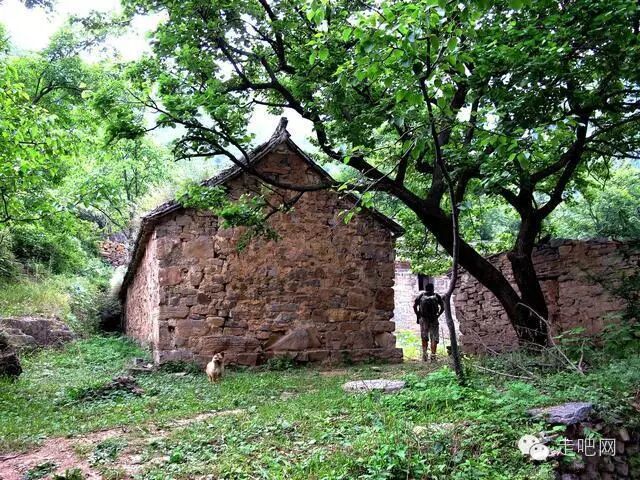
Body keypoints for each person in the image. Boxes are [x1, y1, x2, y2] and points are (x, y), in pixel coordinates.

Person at [413, 283, 445, 362]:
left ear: (425, 288)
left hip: (423, 319)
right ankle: (433, 356)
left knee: (424, 337)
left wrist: (418, 315)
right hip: (434, 319)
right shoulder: (437, 296)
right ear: (433, 288)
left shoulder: (421, 296)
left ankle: (424, 355)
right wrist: (438, 315)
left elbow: (414, 306)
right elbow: (443, 307)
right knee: (434, 337)